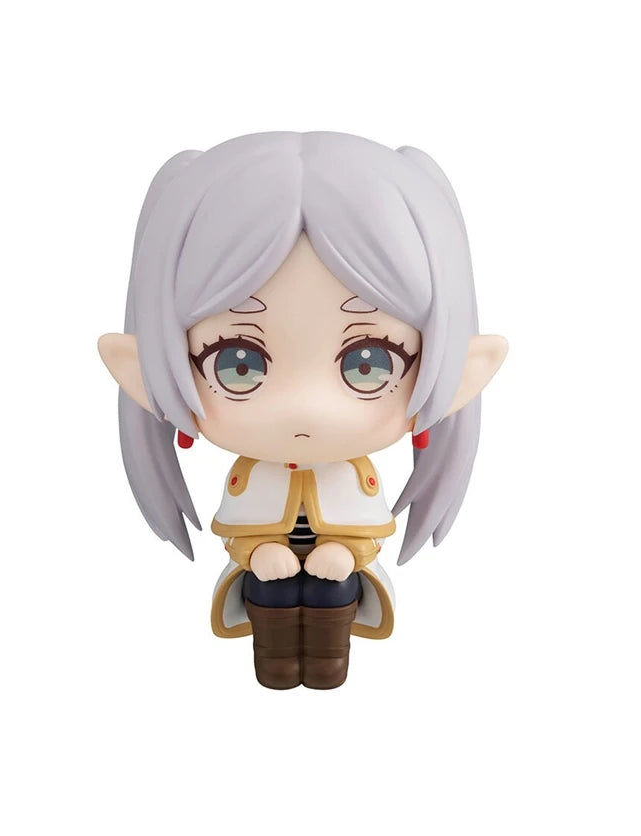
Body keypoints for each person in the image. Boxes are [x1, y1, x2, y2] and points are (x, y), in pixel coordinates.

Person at [98, 131, 508, 689]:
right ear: (141, 366)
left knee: (331, 603)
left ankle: (326, 663)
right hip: (264, 579)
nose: (306, 406)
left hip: (338, 579)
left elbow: (365, 526)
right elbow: (239, 527)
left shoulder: (352, 478)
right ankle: (275, 663)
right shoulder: (251, 478)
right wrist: (257, 550)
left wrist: (347, 552)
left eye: (370, 361)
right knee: (270, 605)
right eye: (236, 361)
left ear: (463, 367)